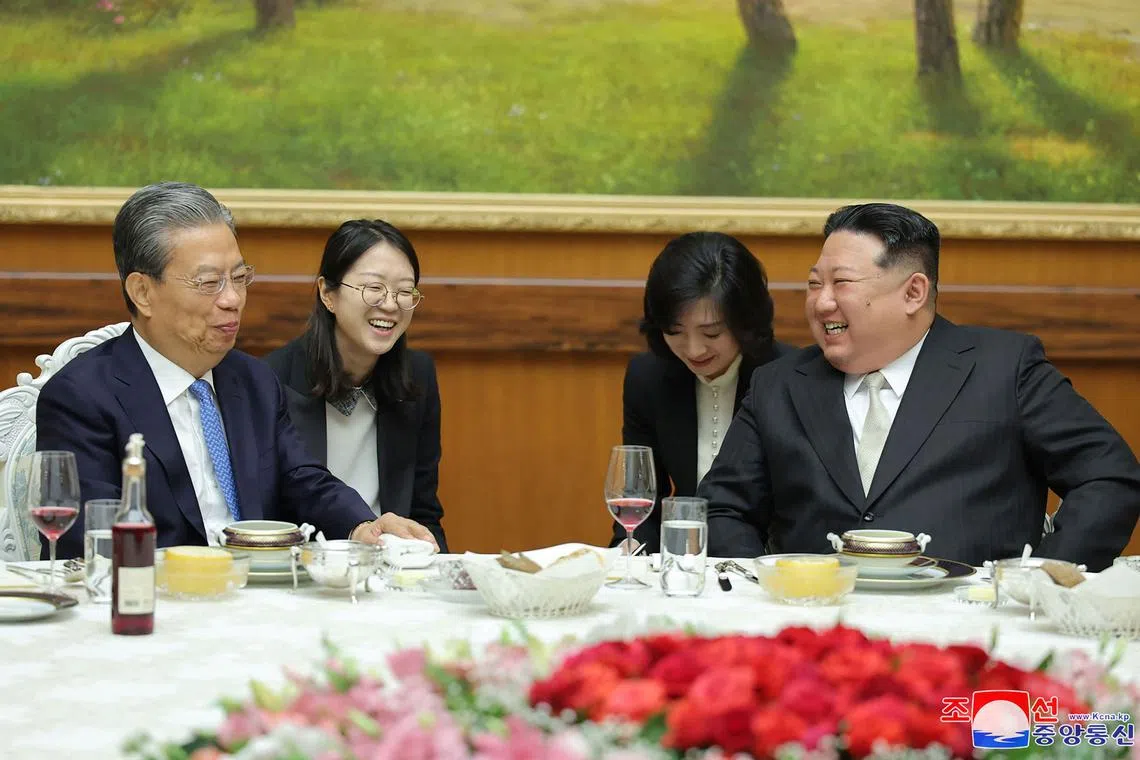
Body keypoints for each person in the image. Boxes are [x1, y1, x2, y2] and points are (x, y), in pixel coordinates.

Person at [699, 202, 1140, 571]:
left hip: (972, 626)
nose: (821, 302)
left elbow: (1109, 476)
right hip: (819, 624)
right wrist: (761, 588)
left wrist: (1044, 578)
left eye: (841, 283)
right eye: (815, 284)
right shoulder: (779, 385)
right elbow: (723, 508)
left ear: (913, 292)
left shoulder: (1005, 368)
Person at [36, 182, 437, 559]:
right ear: (142, 292)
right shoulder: (82, 396)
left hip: (259, 592)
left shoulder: (253, 380)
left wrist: (361, 526)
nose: (233, 299)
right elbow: (90, 543)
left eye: (240, 278)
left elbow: (302, 479)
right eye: (209, 282)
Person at [265, 220, 448, 551]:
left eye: (404, 291)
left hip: (392, 567)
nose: (390, 304)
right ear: (327, 294)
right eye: (373, 287)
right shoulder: (272, 380)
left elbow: (423, 511)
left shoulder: (417, 376)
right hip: (304, 567)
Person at [615, 231, 794, 554]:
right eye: (675, 332)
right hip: (680, 561)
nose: (694, 350)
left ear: (745, 322)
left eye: (711, 333)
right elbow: (639, 497)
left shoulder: (790, 378)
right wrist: (632, 553)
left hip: (765, 563)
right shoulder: (648, 377)